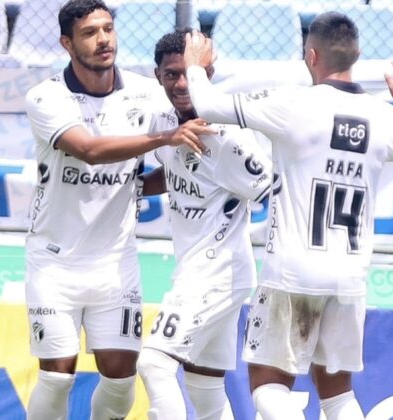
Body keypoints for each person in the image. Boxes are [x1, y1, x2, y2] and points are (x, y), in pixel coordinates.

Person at [182, 12, 393, 420]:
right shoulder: (383, 117)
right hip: (349, 277)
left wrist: (195, 65)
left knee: (268, 387)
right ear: (356, 55)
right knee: (337, 395)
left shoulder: (293, 104)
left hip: (292, 273)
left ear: (311, 55)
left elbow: (208, 104)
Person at [22, 1, 214, 419]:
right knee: (57, 375)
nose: (103, 39)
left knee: (121, 379)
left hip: (116, 262)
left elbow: (185, 153)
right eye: (90, 33)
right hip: (54, 262)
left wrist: (143, 181)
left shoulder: (146, 94)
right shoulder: (46, 97)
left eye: (107, 29)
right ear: (67, 43)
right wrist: (165, 138)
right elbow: (89, 151)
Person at [136, 30, 272, 420]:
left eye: (188, 73)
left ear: (207, 73)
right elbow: (176, 171)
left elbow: (273, 189)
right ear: (158, 75)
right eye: (171, 74)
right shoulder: (163, 121)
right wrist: (131, 188)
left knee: (154, 363)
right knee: (204, 385)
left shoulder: (227, 135)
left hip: (219, 272)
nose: (181, 84)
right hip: (195, 268)